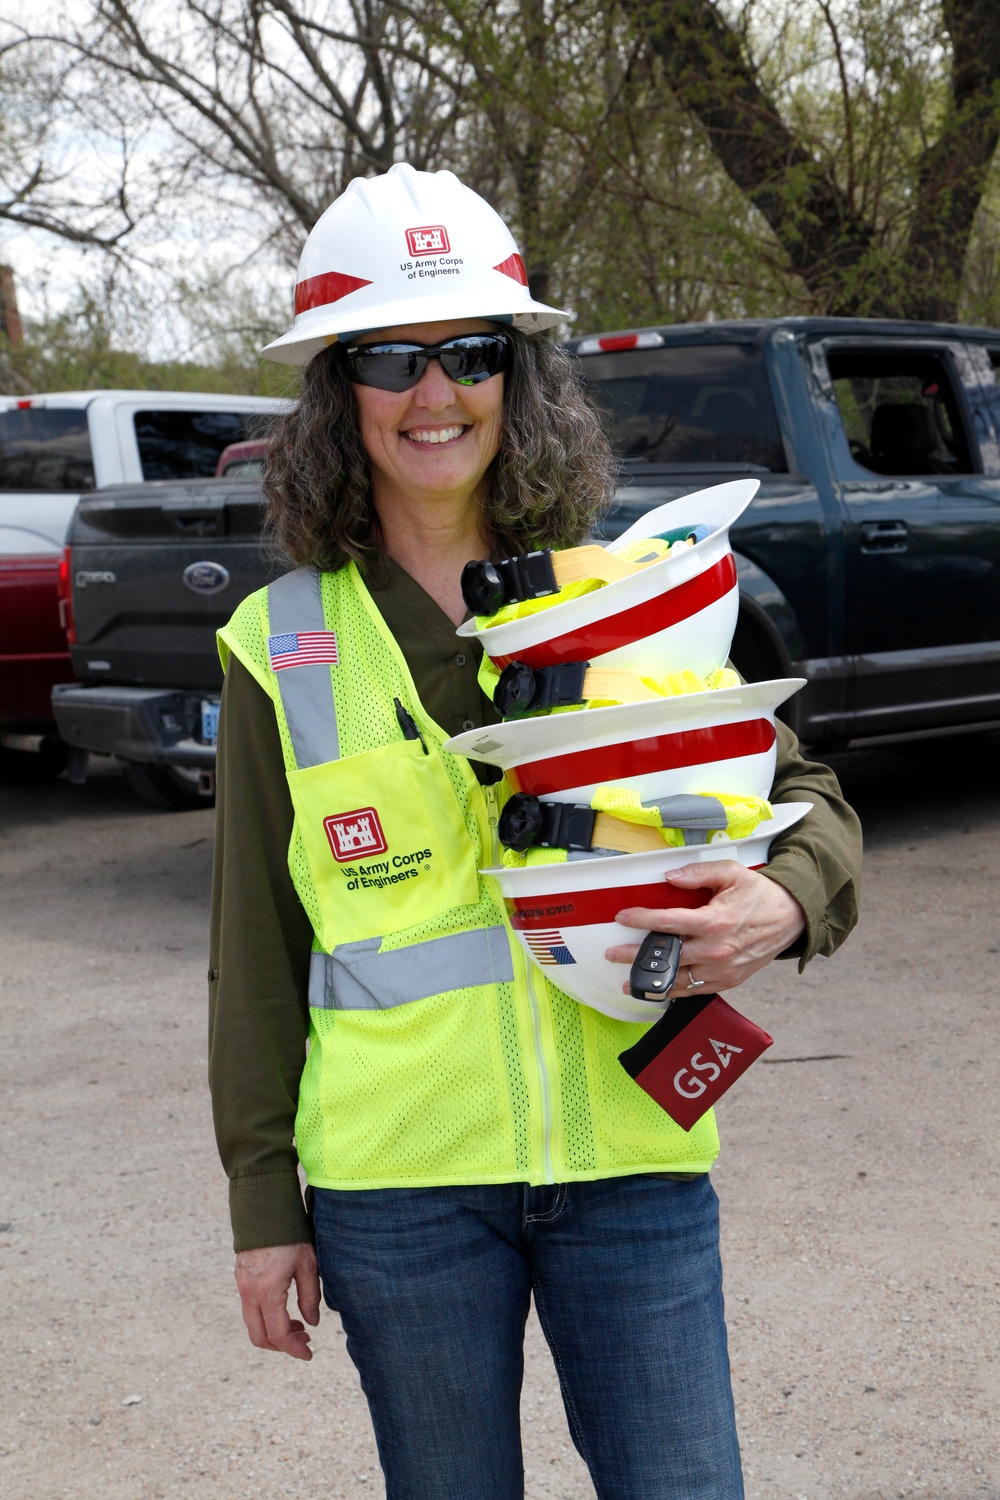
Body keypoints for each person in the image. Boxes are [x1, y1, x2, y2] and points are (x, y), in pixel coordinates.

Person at [209, 163, 862, 1500]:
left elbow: (817, 807)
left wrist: (784, 902)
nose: (434, 391)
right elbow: (256, 958)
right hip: (402, 1197)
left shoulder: (632, 599)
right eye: (391, 355)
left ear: (521, 373)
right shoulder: (278, 646)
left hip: (631, 1165)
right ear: (341, 389)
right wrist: (265, 1214)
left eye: (471, 351)